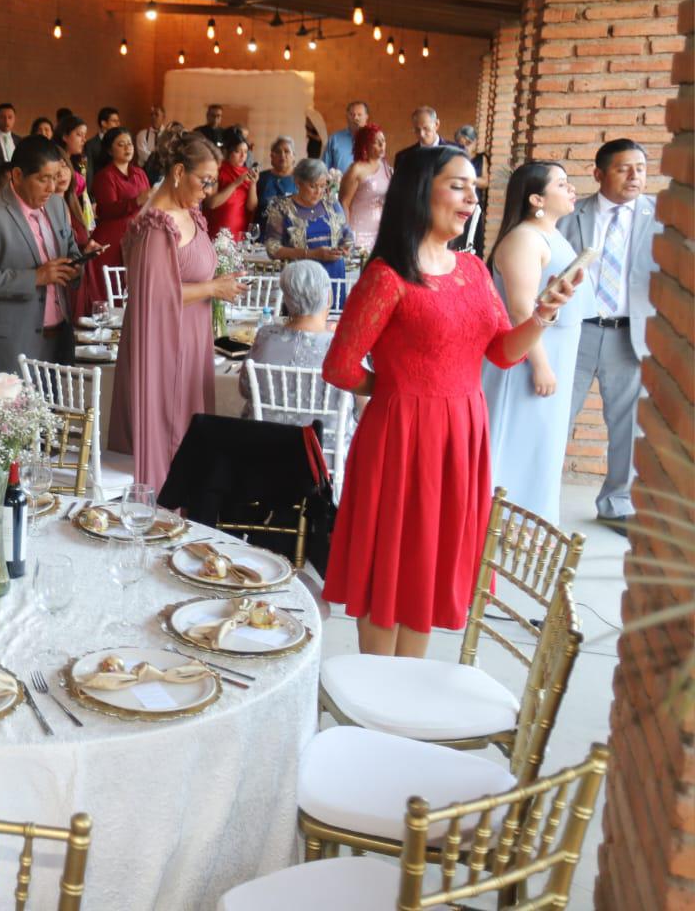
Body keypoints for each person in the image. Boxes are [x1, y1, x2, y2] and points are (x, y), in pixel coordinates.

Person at [321, 146, 578, 659]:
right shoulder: (387, 276)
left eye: (473, 186)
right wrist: (397, 387)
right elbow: (340, 367)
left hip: (462, 436)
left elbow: (503, 353)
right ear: (422, 190)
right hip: (400, 438)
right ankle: (375, 700)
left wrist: (543, 315)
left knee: (429, 572)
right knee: (389, 570)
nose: (470, 196)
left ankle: (407, 699)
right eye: (458, 184)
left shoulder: (474, 271)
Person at [109, 134, 246, 487]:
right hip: (165, 344)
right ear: (179, 172)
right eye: (205, 180)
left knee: (189, 433)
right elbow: (152, 295)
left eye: (213, 181)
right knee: (170, 437)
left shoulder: (190, 213)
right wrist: (213, 288)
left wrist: (217, 281)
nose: (209, 189)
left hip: (191, 335)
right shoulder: (157, 224)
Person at [561, 138, 662, 529]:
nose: (635, 176)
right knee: (556, 416)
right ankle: (534, 500)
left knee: (628, 424)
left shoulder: (661, 219)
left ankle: (617, 502)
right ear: (599, 174)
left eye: (641, 167)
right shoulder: (572, 215)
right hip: (577, 332)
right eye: (624, 168)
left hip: (628, 335)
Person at [483, 162, 590, 525]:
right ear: (536, 198)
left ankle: (530, 518)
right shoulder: (525, 238)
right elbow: (521, 309)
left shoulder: (551, 234)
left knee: (542, 441)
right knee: (518, 436)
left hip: (557, 349)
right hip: (530, 356)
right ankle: (500, 519)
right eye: (562, 183)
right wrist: (540, 363)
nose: (571, 189)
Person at [0, 136, 82, 374]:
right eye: (43, 179)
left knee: (57, 410)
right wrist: (34, 277)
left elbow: (70, 247)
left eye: (55, 178)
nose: (52, 188)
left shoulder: (56, 205)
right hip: (10, 346)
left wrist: (76, 266)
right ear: (17, 175)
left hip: (57, 340)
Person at [238, 260, 338, 421]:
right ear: (328, 297)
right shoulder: (341, 346)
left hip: (265, 440)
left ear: (286, 299)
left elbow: (245, 388)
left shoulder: (265, 336)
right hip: (322, 443)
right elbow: (361, 407)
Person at [84, 125, 149, 315]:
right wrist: (136, 200)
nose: (128, 148)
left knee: (133, 288)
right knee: (111, 287)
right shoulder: (105, 176)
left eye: (129, 144)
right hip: (112, 239)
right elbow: (106, 209)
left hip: (136, 236)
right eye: (121, 145)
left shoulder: (140, 173)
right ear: (110, 150)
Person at [265, 158, 354, 291]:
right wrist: (312, 254)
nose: (318, 191)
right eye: (312, 186)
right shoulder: (281, 208)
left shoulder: (331, 204)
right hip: (301, 278)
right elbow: (272, 248)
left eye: (323, 186)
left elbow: (347, 235)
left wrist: (344, 249)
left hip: (334, 276)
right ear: (298, 183)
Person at [339, 124, 391, 254]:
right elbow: (344, 202)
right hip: (359, 232)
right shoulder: (356, 169)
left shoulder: (387, 167)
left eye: (383, 141)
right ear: (365, 145)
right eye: (375, 142)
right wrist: (346, 233)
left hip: (381, 231)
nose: (381, 145)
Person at [203, 127, 258, 241]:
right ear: (227, 151)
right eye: (238, 151)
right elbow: (211, 203)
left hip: (239, 233)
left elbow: (251, 207)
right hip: (217, 231)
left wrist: (253, 184)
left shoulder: (246, 173)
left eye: (246, 151)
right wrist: (236, 183)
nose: (243, 156)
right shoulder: (217, 170)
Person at [54, 115, 94, 250]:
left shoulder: (78, 161)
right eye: (79, 135)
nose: (84, 139)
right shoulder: (53, 159)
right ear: (65, 136)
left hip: (74, 207)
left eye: (85, 135)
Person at [455, 124, 490, 255]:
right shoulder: (456, 158)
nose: (465, 147)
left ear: (475, 142)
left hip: (475, 204)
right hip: (458, 204)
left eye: (468, 143)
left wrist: (466, 179)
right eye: (461, 144)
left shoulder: (481, 158)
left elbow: (485, 182)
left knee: (473, 237)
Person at [256, 135, 298, 231]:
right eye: (278, 152)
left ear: (294, 156)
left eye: (287, 151)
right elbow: (253, 208)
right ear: (272, 156)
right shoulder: (261, 178)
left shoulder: (301, 179)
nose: (282, 155)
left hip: (292, 236)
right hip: (263, 234)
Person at [321, 100, 370, 176]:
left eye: (359, 115)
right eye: (352, 114)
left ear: (366, 117)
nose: (355, 118)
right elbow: (324, 169)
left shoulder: (373, 139)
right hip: (340, 187)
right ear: (347, 116)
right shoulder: (334, 139)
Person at [85, 106, 122, 170]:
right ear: (103, 123)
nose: (118, 124)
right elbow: (87, 169)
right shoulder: (90, 145)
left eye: (118, 121)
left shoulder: (121, 142)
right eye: (114, 121)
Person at [134, 105, 168, 172]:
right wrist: (159, 159)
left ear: (163, 117)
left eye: (156, 114)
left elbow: (168, 156)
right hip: (145, 171)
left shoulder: (168, 135)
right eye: (151, 115)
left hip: (163, 172)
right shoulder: (142, 134)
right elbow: (143, 155)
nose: (153, 117)